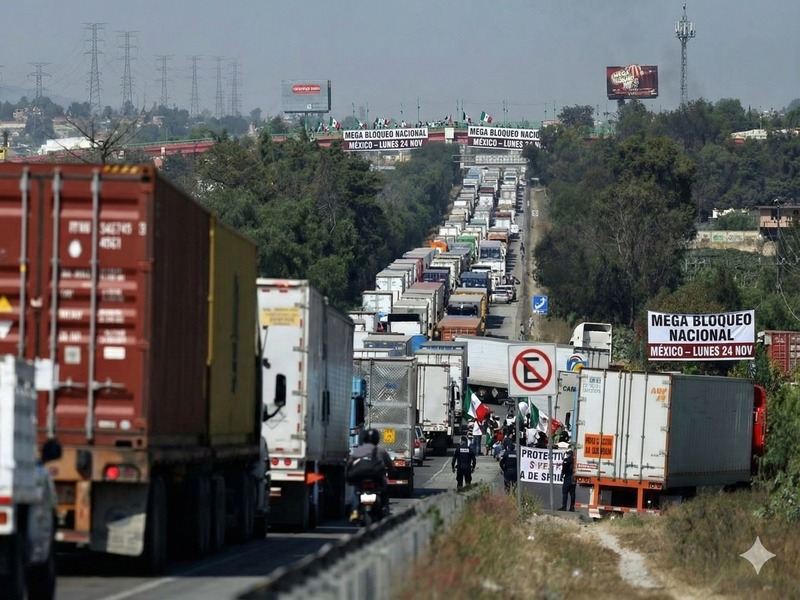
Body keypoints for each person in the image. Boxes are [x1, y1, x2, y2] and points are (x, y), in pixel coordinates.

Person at [346, 428, 393, 522]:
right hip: (375, 478)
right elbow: (389, 464)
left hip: (359, 477)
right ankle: (384, 508)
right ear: (376, 439)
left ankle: (354, 511)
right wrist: (392, 472)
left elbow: (349, 464)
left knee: (356, 491)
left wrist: (347, 475)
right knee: (385, 489)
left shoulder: (358, 450)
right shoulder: (381, 451)